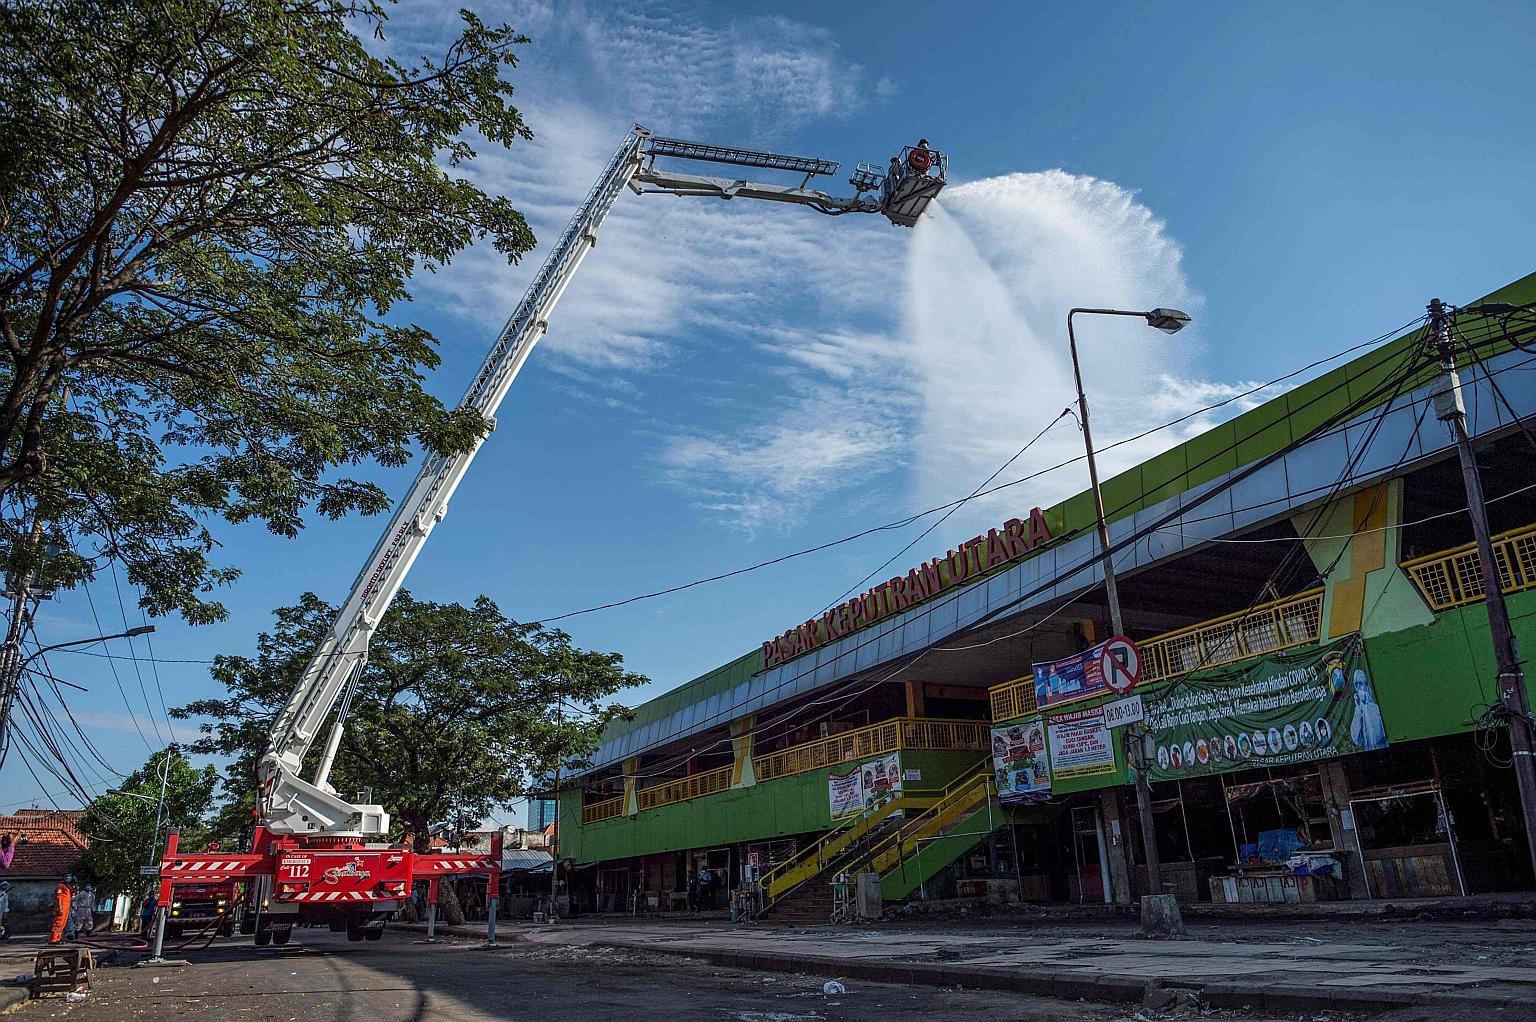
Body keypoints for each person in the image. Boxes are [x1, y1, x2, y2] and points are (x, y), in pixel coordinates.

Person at [49, 877, 72, 944]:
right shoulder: (60, 886)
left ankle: (58, 938)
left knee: (62, 924)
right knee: (58, 923)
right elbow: (58, 897)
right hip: (62, 907)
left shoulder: (66, 886)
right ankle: (53, 939)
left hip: (66, 907)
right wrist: (60, 908)